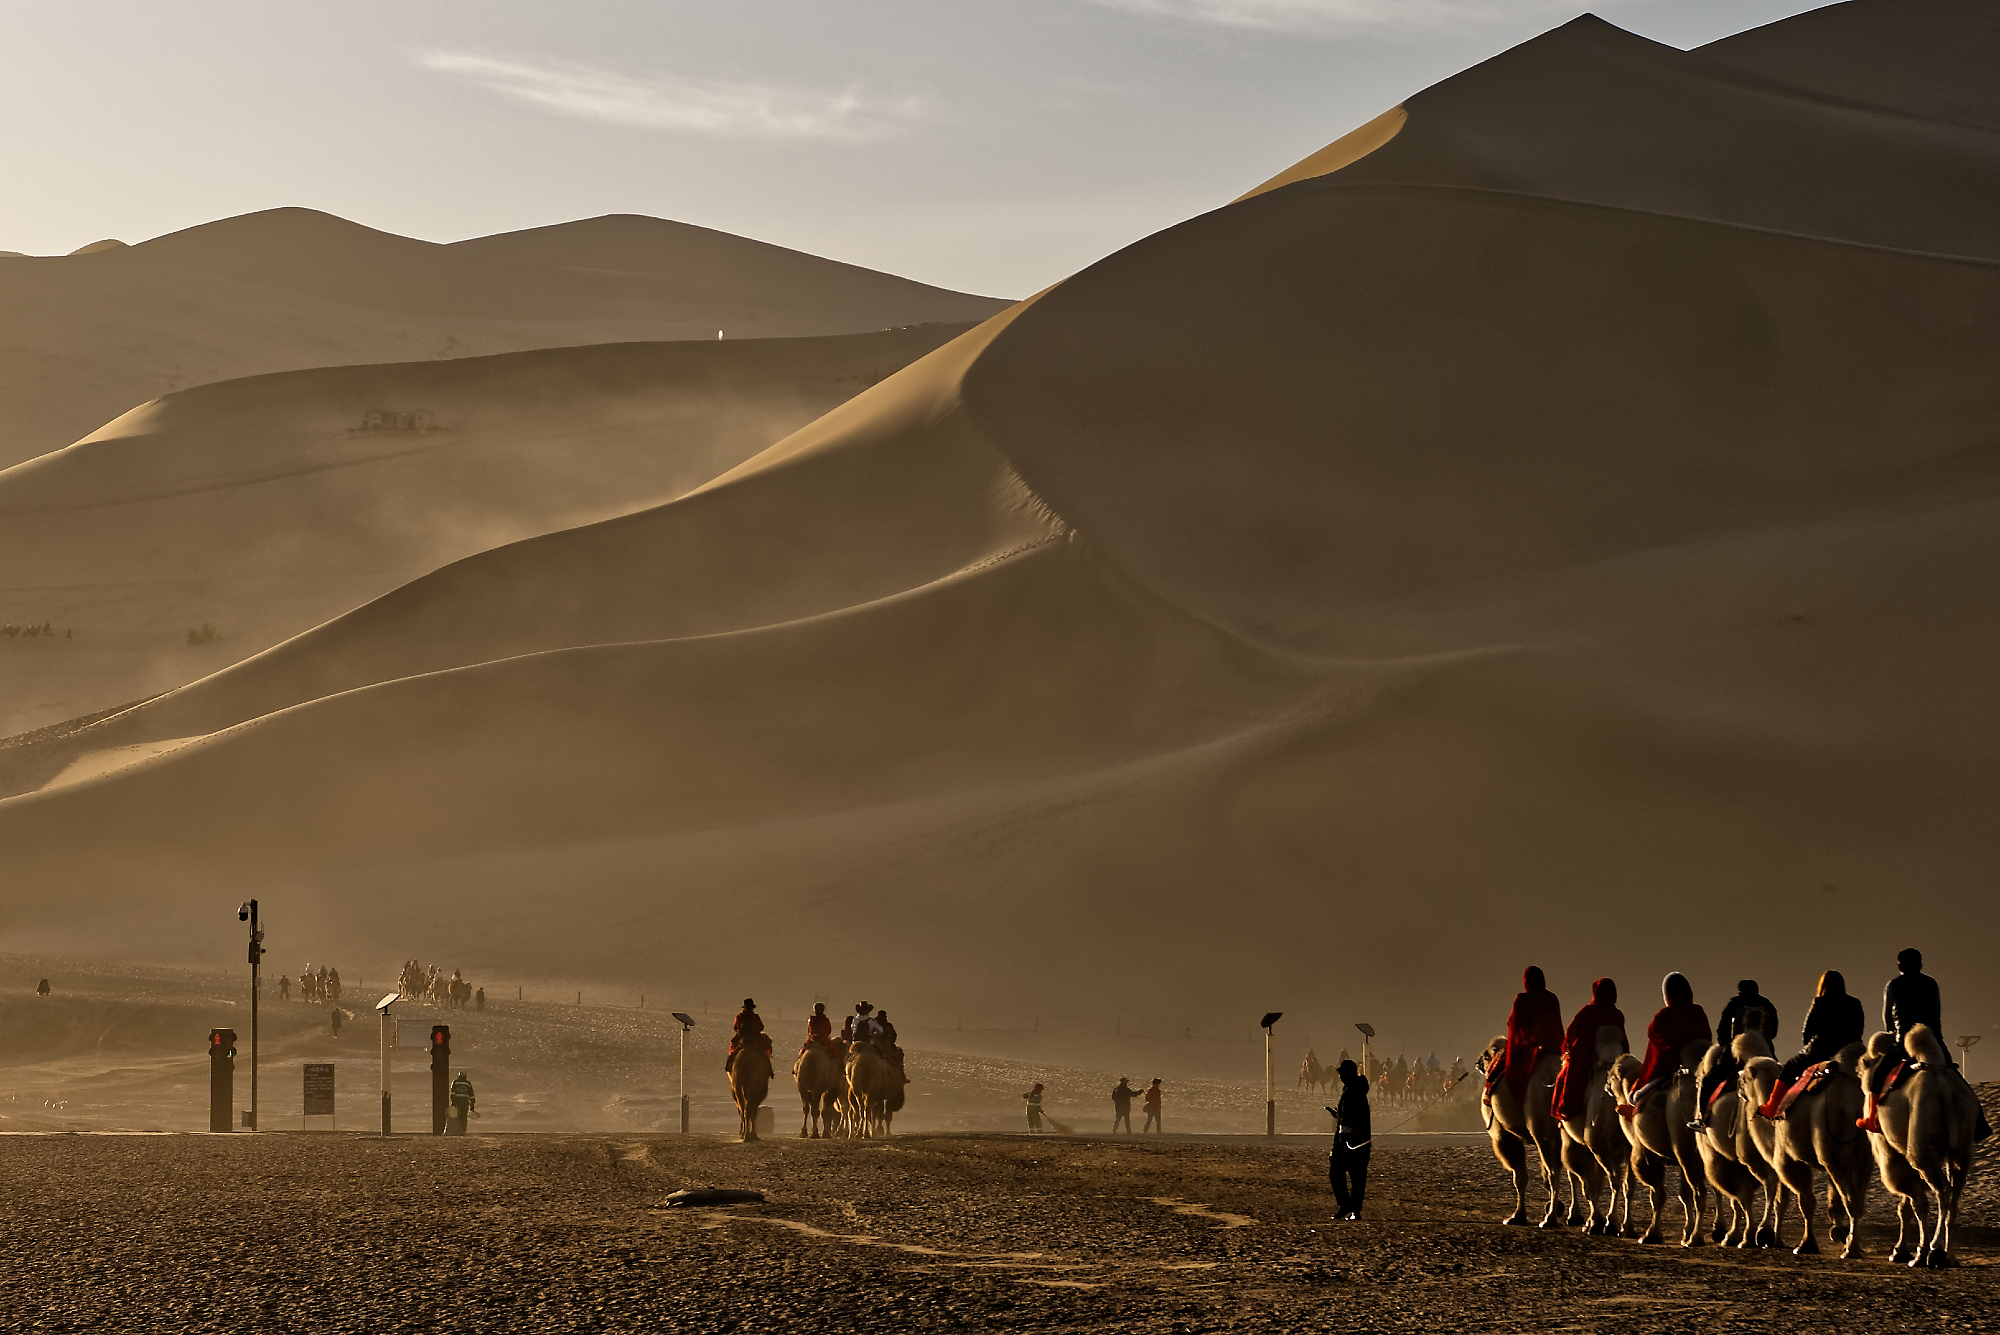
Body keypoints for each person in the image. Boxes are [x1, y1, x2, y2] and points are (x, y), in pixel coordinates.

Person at [1859, 948, 1991, 1138]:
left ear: (1899, 966)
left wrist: (1895, 1033)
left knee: (1878, 1075)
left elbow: (1888, 1018)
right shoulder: (1931, 983)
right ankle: (1979, 1123)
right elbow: (1936, 1013)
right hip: (1933, 1040)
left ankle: (1871, 1118)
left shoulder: (1893, 985)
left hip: (1904, 1042)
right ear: (1920, 965)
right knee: (1953, 1074)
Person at [1755, 969, 1864, 1119]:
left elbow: (1807, 1032)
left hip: (1821, 1049)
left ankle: (1772, 1106)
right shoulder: (1854, 1002)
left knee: (1790, 1066)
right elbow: (1859, 1029)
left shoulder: (1820, 1002)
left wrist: (1810, 1046)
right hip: (1849, 1049)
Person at [1620, 973, 1711, 1118]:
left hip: (1671, 1067)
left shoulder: (1663, 1017)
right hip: (1699, 1063)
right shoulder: (1697, 1012)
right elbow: (1706, 1037)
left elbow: (1658, 1053)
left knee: (1640, 1096)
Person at [1693, 979, 1782, 1128]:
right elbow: (1773, 1032)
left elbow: (1722, 1034)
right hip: (1764, 1053)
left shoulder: (1734, 1005)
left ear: (1740, 991)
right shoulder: (1768, 1006)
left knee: (1707, 1081)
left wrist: (1728, 1045)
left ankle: (1701, 1121)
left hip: (1735, 1056)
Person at [1486, 967, 1564, 1111]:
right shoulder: (1552, 998)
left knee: (1500, 1061)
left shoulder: (1522, 999)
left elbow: (1513, 1025)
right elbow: (1557, 1024)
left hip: (1528, 1046)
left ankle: (1488, 1090)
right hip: (1553, 1046)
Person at [1553, 978, 1626, 1123]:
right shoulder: (1617, 1014)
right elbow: (1623, 1038)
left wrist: (1568, 1051)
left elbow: (1571, 1033)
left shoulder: (1587, 1012)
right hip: (1616, 1056)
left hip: (1590, 1055)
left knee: (1567, 1077)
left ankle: (1567, 1111)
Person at [1325, 1059, 1371, 1219]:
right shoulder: (1357, 1090)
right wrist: (1337, 1114)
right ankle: (1354, 1210)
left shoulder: (1351, 1092)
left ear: (1351, 1073)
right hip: (1361, 1142)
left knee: (1336, 1173)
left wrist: (1342, 1141)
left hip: (1348, 1142)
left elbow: (1348, 1120)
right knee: (1358, 1177)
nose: (1341, 1076)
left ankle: (1346, 1206)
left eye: (1343, 1073)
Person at [726, 998, 771, 1071]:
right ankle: (769, 1068)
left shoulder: (739, 1016)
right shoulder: (755, 1017)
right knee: (766, 1049)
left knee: (733, 1051)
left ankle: (729, 1065)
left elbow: (735, 1027)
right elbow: (761, 1027)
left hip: (741, 1039)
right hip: (755, 1039)